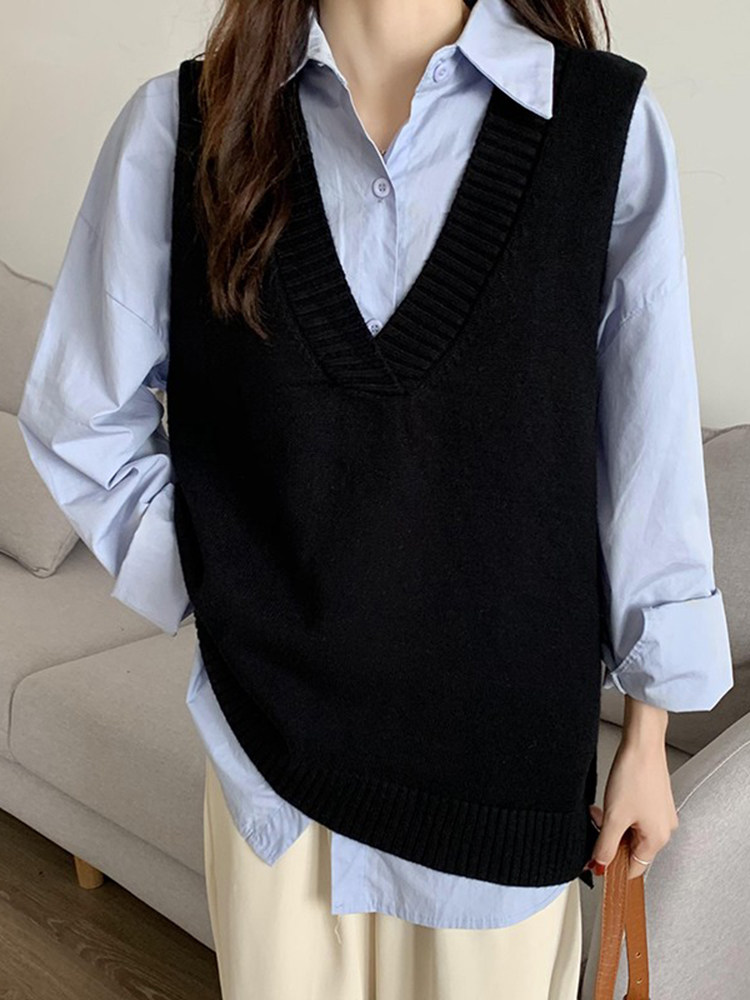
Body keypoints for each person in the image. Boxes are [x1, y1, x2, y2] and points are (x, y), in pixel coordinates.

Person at [17, 0, 734, 997]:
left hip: (503, 781)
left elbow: (646, 455)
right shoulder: (188, 127)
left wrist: (649, 737)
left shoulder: (601, 126)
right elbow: (80, 417)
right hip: (274, 776)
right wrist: (223, 585)